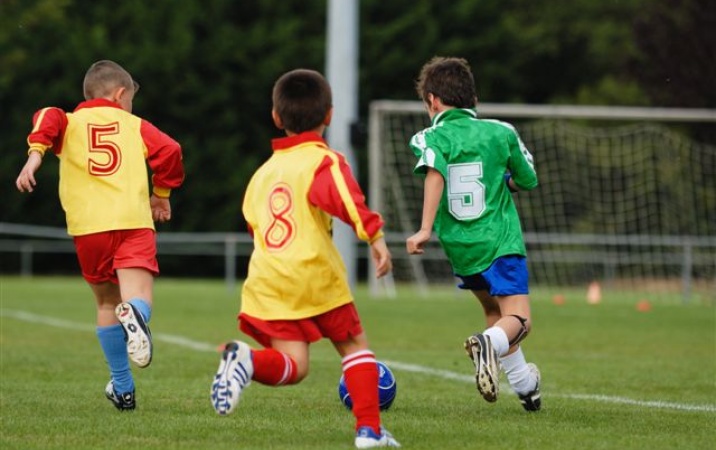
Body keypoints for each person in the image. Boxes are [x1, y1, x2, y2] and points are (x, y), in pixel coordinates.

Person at [210, 68, 400, 448]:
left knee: (294, 365)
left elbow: (254, 224)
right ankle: (369, 431)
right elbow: (347, 199)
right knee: (354, 348)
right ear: (329, 115)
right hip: (313, 273)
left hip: (268, 277)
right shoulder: (323, 161)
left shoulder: (262, 174)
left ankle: (246, 360)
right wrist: (374, 237)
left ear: (277, 118)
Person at [15, 60, 185, 411]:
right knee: (137, 299)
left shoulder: (70, 122)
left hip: (89, 227)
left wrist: (35, 155)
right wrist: (161, 194)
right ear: (121, 95)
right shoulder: (134, 125)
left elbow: (47, 114)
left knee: (107, 303)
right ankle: (135, 314)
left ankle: (123, 388)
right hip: (132, 221)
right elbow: (170, 150)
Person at [405, 56, 541, 412]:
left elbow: (435, 173)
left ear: (433, 101)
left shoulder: (429, 136)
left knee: (496, 313)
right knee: (521, 319)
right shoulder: (501, 131)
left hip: (461, 247)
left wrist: (424, 229)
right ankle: (486, 345)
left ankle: (526, 386)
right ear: (474, 100)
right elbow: (528, 179)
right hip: (499, 240)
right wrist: (503, 181)